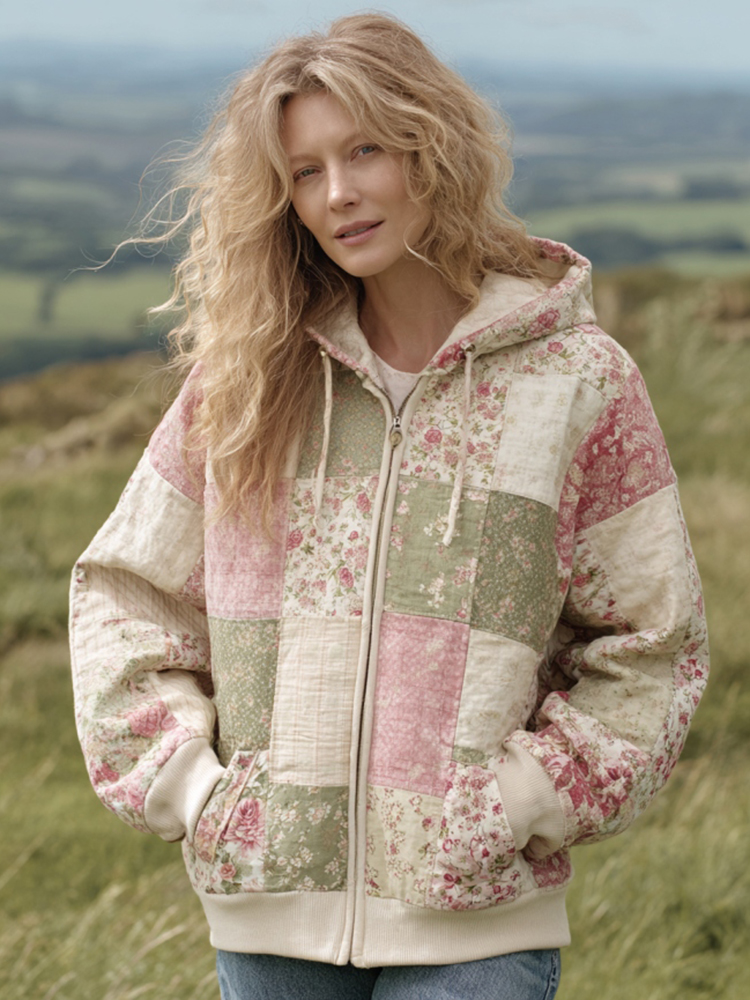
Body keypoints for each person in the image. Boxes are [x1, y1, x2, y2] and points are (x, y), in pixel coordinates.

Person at [69, 13, 708, 1000]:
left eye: (364, 150)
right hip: (269, 921)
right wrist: (195, 791)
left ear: (431, 144)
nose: (338, 193)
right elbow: (122, 589)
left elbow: (654, 643)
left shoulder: (577, 381)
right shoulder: (248, 382)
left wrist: (519, 799)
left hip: (476, 932)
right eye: (305, 171)